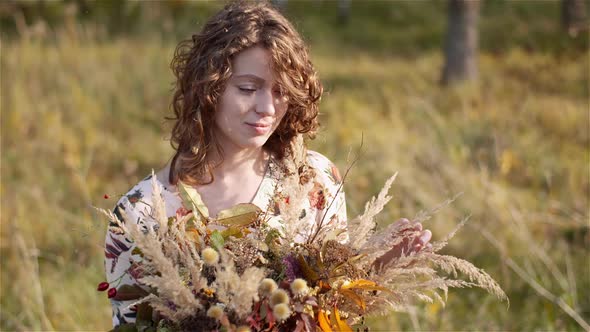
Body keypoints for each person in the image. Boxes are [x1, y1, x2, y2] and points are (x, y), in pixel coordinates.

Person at [104, 1, 431, 327]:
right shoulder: (140, 214)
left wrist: (376, 269)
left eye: (280, 91)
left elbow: (330, 309)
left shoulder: (313, 182)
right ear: (209, 87)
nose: (267, 107)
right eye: (248, 88)